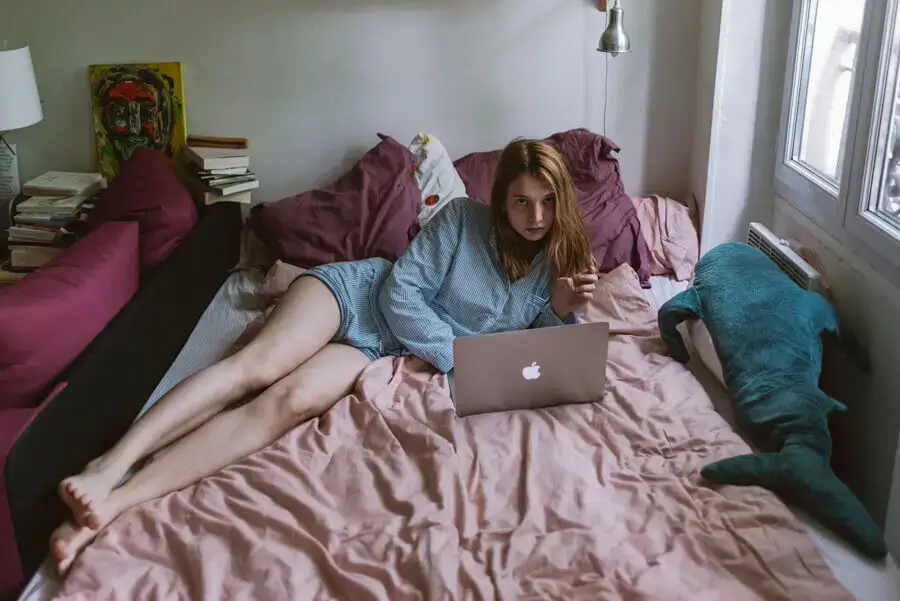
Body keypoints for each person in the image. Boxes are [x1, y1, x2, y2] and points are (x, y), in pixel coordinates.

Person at [50, 138, 599, 573]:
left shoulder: (553, 264)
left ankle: (118, 504)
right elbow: (400, 293)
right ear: (503, 198)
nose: (536, 215)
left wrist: (558, 308)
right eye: (522, 200)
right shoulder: (461, 219)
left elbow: (530, 351)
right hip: (357, 297)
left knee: (288, 403)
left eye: (548, 202)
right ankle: (110, 466)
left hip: (381, 351)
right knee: (257, 368)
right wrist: (456, 356)